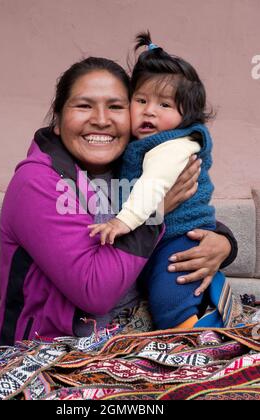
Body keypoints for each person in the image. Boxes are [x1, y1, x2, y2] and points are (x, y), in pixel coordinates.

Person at [0, 56, 237, 346]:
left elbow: (183, 212)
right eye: (84, 106)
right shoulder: (36, 183)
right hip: (53, 350)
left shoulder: (130, 166)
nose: (101, 119)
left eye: (116, 107)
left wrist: (223, 243)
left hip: (138, 341)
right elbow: (94, 291)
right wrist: (154, 214)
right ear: (57, 121)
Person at [88, 32, 234, 330]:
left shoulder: (171, 146)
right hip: (158, 237)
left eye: (164, 105)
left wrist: (121, 222)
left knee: (170, 296)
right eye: (140, 100)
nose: (149, 110)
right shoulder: (137, 143)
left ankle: (191, 340)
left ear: (186, 117)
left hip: (179, 237)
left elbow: (151, 186)